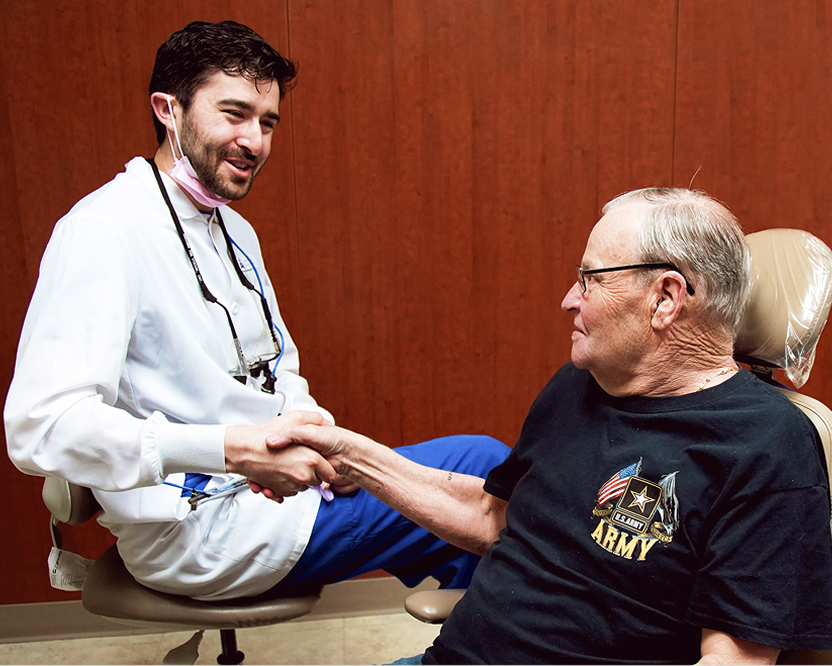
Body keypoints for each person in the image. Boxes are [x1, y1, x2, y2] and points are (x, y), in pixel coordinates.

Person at [4, 20, 508, 601]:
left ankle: (470, 643)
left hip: (266, 493)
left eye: (267, 122)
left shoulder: (233, 228)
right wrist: (234, 451)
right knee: (483, 472)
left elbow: (276, 368)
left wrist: (315, 439)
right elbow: (39, 427)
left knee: (474, 497)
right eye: (234, 114)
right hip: (196, 530)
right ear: (168, 110)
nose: (256, 141)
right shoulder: (102, 231)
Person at [272, 188, 832, 664]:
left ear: (665, 298)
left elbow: (732, 658)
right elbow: (493, 518)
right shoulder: (584, 382)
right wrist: (349, 454)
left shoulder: (768, 446)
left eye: (590, 280)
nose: (570, 300)